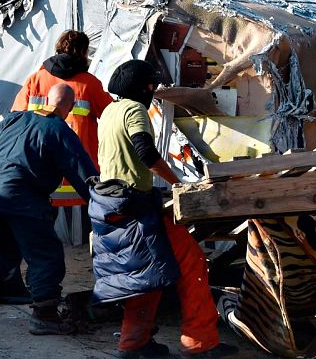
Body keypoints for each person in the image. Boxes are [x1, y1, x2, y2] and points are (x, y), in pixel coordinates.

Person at [92, 60, 238, 359]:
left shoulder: (109, 111)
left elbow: (122, 161)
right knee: (192, 261)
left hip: (113, 203)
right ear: (144, 88)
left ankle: (134, 344)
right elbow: (145, 151)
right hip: (136, 206)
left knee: (145, 272)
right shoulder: (134, 110)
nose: (153, 91)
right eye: (151, 86)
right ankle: (199, 343)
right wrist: (179, 183)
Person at [0, 83, 98, 335]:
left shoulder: (15, 118)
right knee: (46, 254)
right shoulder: (60, 130)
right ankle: (44, 315)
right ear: (70, 106)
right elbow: (82, 173)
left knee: (9, 241)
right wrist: (102, 204)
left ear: (46, 99)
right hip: (21, 199)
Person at [12, 30, 113, 207]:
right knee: (79, 235)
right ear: (83, 52)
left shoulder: (35, 80)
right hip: (79, 182)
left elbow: (14, 121)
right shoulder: (90, 84)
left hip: (39, 181)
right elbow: (114, 117)